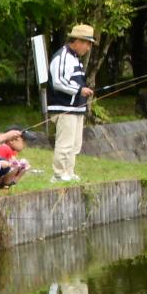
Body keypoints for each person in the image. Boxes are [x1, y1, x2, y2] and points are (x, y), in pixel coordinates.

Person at [46, 24, 95, 181]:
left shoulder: (76, 59)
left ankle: (69, 172)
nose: (88, 48)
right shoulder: (62, 56)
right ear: (78, 41)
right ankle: (59, 174)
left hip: (76, 109)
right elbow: (58, 82)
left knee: (75, 145)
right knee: (65, 144)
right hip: (64, 108)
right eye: (87, 43)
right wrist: (79, 90)